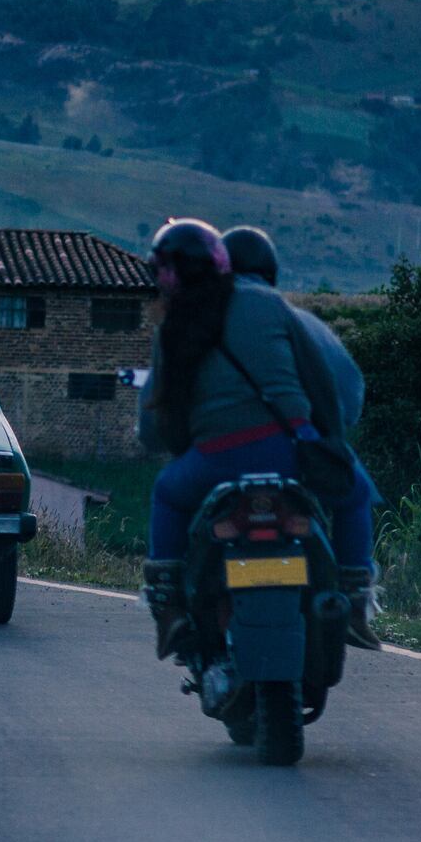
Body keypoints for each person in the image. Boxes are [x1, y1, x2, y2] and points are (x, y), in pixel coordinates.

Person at [137, 218, 349, 659]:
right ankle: (350, 588)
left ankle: (169, 604)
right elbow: (320, 383)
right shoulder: (272, 306)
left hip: (215, 461)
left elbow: (156, 430)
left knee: (167, 492)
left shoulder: (173, 329)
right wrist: (327, 440)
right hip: (291, 454)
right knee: (346, 494)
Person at [222, 226, 382, 649]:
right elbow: (349, 395)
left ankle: (176, 595)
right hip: (297, 449)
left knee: (179, 497)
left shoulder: (201, 317)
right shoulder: (301, 321)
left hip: (219, 451)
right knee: (355, 494)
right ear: (271, 272)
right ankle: (352, 598)